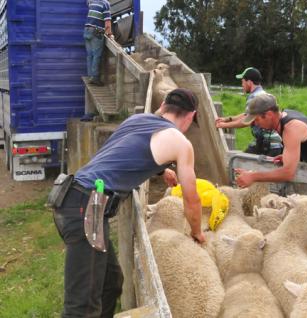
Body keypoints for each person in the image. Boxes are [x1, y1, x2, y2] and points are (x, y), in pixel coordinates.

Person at [52, 88, 204, 317]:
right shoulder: (181, 143)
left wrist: (162, 169)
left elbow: (134, 146)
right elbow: (192, 200)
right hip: (88, 207)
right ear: (191, 116)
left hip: (77, 197)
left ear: (163, 106)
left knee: (110, 283)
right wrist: (196, 233)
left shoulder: (137, 119)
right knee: (82, 307)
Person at [235, 93, 307, 188]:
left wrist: (253, 176)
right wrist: (290, 156)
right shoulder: (284, 117)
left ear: (269, 115)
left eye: (256, 120)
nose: (256, 124)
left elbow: (288, 174)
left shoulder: (291, 128)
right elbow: (305, 143)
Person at [215, 67, 283, 156]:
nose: (242, 85)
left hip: (267, 144)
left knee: (239, 163)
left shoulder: (254, 97)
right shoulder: (263, 94)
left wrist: (223, 125)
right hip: (273, 142)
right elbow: (247, 115)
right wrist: (227, 119)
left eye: (242, 81)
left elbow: (246, 122)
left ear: (249, 82)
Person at [84, 0, 112, 86]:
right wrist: (110, 34)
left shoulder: (92, 2)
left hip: (87, 30)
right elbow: (107, 23)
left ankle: (90, 77)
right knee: (97, 55)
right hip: (96, 31)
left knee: (90, 55)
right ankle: (95, 78)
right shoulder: (105, 4)